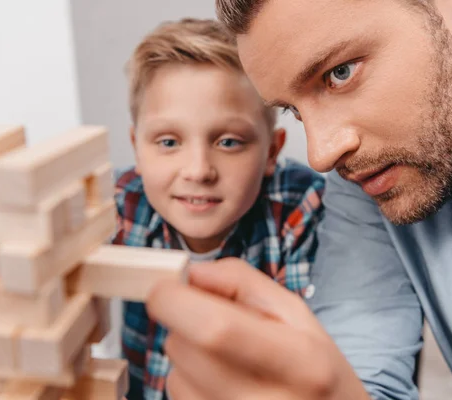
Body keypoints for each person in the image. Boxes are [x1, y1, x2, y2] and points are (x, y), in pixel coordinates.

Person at [144, 0, 452, 399]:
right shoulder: (374, 177)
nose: (321, 155)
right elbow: (363, 375)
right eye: (294, 110)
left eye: (340, 74)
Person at [113, 17, 325, 399]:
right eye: (167, 142)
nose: (198, 171)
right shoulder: (123, 201)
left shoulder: (300, 210)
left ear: (271, 151)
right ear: (136, 148)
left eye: (228, 142)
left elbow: (321, 353)